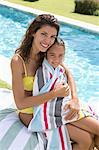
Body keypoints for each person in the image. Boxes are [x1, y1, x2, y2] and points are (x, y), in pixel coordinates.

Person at [0, 14, 94, 149]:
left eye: (52, 37)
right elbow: (20, 103)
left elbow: (68, 73)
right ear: (33, 32)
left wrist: (75, 99)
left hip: (52, 109)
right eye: (44, 34)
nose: (48, 40)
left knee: (94, 132)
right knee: (85, 139)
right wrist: (54, 94)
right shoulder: (18, 61)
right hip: (31, 115)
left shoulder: (47, 54)